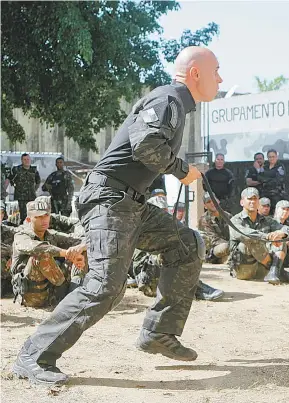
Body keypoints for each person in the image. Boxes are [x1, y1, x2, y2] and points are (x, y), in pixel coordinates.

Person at [12, 46, 223, 385]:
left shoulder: (176, 104)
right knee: (105, 286)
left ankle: (158, 332)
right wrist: (183, 170)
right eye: (216, 71)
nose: (221, 78)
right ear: (195, 73)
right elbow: (146, 145)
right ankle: (34, 355)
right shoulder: (170, 99)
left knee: (186, 244)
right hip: (110, 200)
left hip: (130, 204)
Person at [10, 196, 87, 308]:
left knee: (79, 251)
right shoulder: (21, 235)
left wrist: (79, 249)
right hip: (31, 296)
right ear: (28, 219)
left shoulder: (51, 234)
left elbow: (81, 240)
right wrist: (65, 253)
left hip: (52, 291)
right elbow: (37, 248)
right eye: (38, 217)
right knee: (41, 254)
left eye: (46, 215)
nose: (44, 220)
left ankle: (75, 292)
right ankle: (65, 295)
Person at [228, 188, 289, 284]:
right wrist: (267, 236)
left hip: (262, 269)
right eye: (249, 199)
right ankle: (279, 271)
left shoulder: (266, 220)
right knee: (252, 240)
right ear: (242, 202)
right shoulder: (235, 220)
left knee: (280, 239)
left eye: (255, 199)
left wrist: (281, 234)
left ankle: (274, 272)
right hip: (244, 269)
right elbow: (244, 234)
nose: (253, 202)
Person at [198, 191, 231, 264]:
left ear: (218, 201)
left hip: (229, 248)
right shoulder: (204, 219)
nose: (212, 203)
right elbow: (213, 240)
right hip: (213, 251)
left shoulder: (228, 216)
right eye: (209, 202)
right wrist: (231, 244)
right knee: (226, 247)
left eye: (213, 200)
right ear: (205, 206)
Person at [9, 153, 41, 223]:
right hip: (21, 198)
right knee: (23, 217)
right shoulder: (16, 169)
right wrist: (15, 186)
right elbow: (10, 179)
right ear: (22, 160)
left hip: (31, 197)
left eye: (28, 159)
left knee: (32, 215)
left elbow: (38, 181)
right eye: (25, 159)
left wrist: (34, 190)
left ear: (30, 160)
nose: (27, 161)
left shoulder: (34, 170)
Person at [258, 149, 286, 214]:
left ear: (276, 157)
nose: (271, 158)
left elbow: (279, 179)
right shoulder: (264, 166)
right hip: (265, 193)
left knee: (276, 213)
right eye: (270, 157)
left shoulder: (280, 167)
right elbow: (259, 177)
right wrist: (267, 180)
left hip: (276, 194)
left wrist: (266, 180)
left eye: (273, 157)